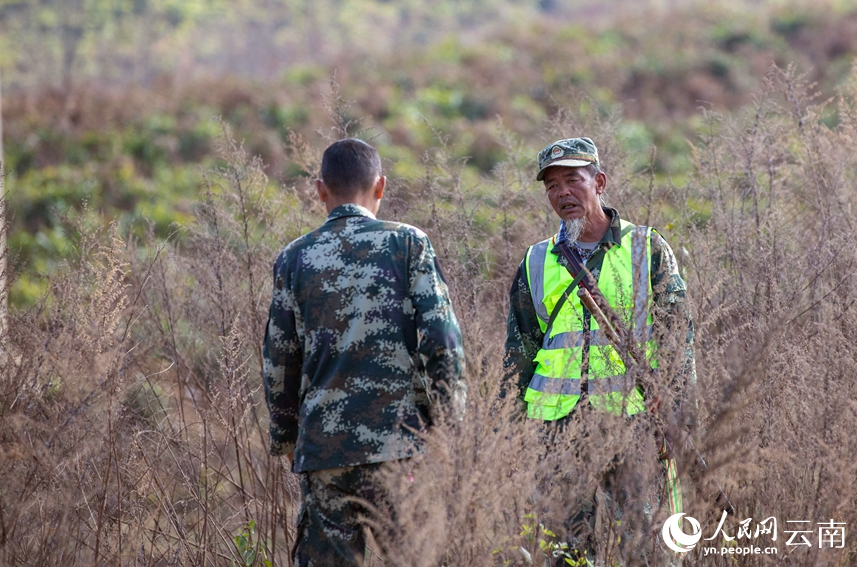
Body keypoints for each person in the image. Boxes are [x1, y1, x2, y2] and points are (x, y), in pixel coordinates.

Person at [263, 138, 466, 566]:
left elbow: (279, 360)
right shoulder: (409, 244)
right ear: (381, 187)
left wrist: (286, 438)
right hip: (400, 446)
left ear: (320, 189)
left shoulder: (294, 258)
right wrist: (452, 428)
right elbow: (443, 343)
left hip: (324, 450)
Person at [503, 137, 695, 563]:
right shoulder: (536, 261)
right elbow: (517, 355)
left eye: (573, 180)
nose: (562, 194)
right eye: (552, 186)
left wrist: (677, 415)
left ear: (600, 182)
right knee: (563, 552)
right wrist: (508, 435)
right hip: (556, 430)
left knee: (650, 548)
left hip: (635, 422)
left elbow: (679, 340)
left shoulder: (647, 249)